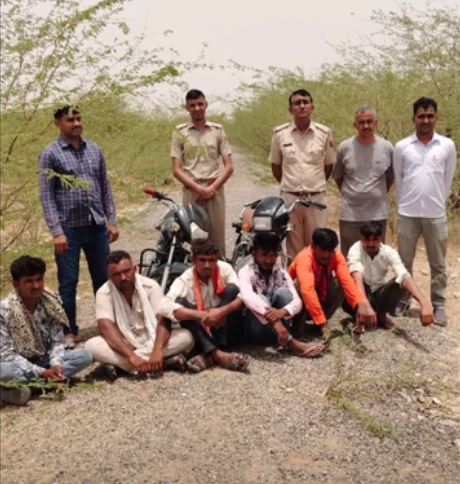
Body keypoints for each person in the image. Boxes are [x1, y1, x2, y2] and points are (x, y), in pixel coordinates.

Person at [39, 105, 119, 348]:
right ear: (58, 124)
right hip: (68, 230)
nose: (76, 123)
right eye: (70, 120)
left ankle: (109, 325)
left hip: (96, 225)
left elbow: (104, 187)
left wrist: (111, 220)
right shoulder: (50, 154)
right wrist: (57, 232)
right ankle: (69, 331)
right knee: (68, 281)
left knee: (104, 278)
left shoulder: (94, 150)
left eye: (78, 118)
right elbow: (47, 195)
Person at [393, 97, 457, 326]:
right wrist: (405, 204)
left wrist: (437, 202)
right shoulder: (402, 146)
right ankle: (403, 298)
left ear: (436, 118)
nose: (426, 120)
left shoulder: (447, 146)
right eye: (421, 116)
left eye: (430, 116)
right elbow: (399, 180)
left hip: (435, 214)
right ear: (414, 119)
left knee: (438, 263)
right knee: (403, 261)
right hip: (407, 214)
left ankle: (438, 304)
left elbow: (447, 179)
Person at [0, 256, 93, 406]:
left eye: (39, 279)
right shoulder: (4, 310)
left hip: (43, 359)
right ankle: (45, 383)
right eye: (29, 281)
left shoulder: (51, 303)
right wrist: (42, 372)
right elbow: (6, 353)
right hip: (16, 363)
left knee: (85, 356)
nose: (36, 285)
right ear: (16, 284)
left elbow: (57, 341)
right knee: (4, 372)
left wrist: (56, 366)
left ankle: (29, 388)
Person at [84, 251, 194, 377]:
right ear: (109, 275)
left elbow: (163, 320)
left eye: (126, 271)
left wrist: (157, 350)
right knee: (91, 346)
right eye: (116, 274)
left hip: (152, 338)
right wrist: (131, 355)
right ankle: (160, 364)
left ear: (135, 269)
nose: (123, 277)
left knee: (186, 337)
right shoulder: (104, 292)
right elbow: (106, 327)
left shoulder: (150, 286)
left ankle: (125, 367)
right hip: (124, 343)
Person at [159, 239, 249, 372]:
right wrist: (202, 315)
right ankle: (217, 354)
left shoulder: (225, 269)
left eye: (211, 260)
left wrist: (220, 312)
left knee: (233, 290)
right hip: (200, 330)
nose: (207, 265)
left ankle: (209, 356)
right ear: (193, 261)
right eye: (202, 260)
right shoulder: (185, 279)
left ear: (217, 260)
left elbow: (244, 298)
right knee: (181, 303)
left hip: (224, 328)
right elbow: (164, 306)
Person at [269, 89, 335, 259]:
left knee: (319, 246)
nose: (302, 106)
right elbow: (276, 166)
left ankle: (317, 277)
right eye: (297, 103)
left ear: (312, 107)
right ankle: (296, 277)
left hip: (316, 199)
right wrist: (292, 187)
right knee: (294, 249)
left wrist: (314, 185)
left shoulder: (324, 133)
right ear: (290, 109)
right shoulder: (280, 134)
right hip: (291, 200)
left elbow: (328, 166)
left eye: (306, 102)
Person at [238, 233, 325, 357]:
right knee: (259, 299)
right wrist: (276, 322)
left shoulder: (281, 273)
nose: (268, 260)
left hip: (281, 331)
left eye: (273, 255)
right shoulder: (245, 271)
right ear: (254, 254)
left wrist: (282, 312)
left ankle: (285, 338)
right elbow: (247, 297)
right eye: (264, 255)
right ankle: (292, 343)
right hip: (256, 331)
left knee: (284, 293)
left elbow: (297, 302)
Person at [171, 89, 233, 258]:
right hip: (192, 191)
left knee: (217, 241)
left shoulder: (217, 131)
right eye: (192, 105)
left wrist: (211, 188)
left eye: (200, 104)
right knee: (195, 239)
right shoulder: (180, 132)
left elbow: (229, 166)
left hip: (215, 191)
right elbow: (176, 169)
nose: (197, 108)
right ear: (187, 108)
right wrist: (199, 189)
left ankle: (220, 273)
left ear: (206, 105)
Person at [347, 222, 434, 332]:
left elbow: (403, 274)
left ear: (381, 239)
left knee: (402, 283)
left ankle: (381, 315)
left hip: (379, 292)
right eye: (367, 240)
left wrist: (424, 302)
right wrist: (363, 303)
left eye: (375, 240)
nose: (370, 244)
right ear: (362, 239)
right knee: (350, 281)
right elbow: (357, 274)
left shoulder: (388, 252)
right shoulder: (355, 249)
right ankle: (360, 317)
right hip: (362, 291)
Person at [288, 228, 374, 335]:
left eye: (329, 251)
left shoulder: (337, 257)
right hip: (296, 305)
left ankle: (320, 322)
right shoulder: (304, 258)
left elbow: (347, 282)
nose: (326, 255)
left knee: (340, 284)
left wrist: (360, 304)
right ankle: (298, 325)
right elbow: (307, 291)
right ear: (313, 247)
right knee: (301, 285)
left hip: (321, 298)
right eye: (322, 250)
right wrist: (322, 323)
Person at [334, 106, 394, 256]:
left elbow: (390, 177)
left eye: (369, 121)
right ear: (355, 125)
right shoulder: (344, 147)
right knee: (350, 256)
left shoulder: (387, 147)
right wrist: (354, 194)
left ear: (376, 124)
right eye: (361, 122)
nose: (366, 126)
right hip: (350, 214)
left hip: (377, 214)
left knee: (376, 257)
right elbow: (338, 177)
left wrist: (375, 194)